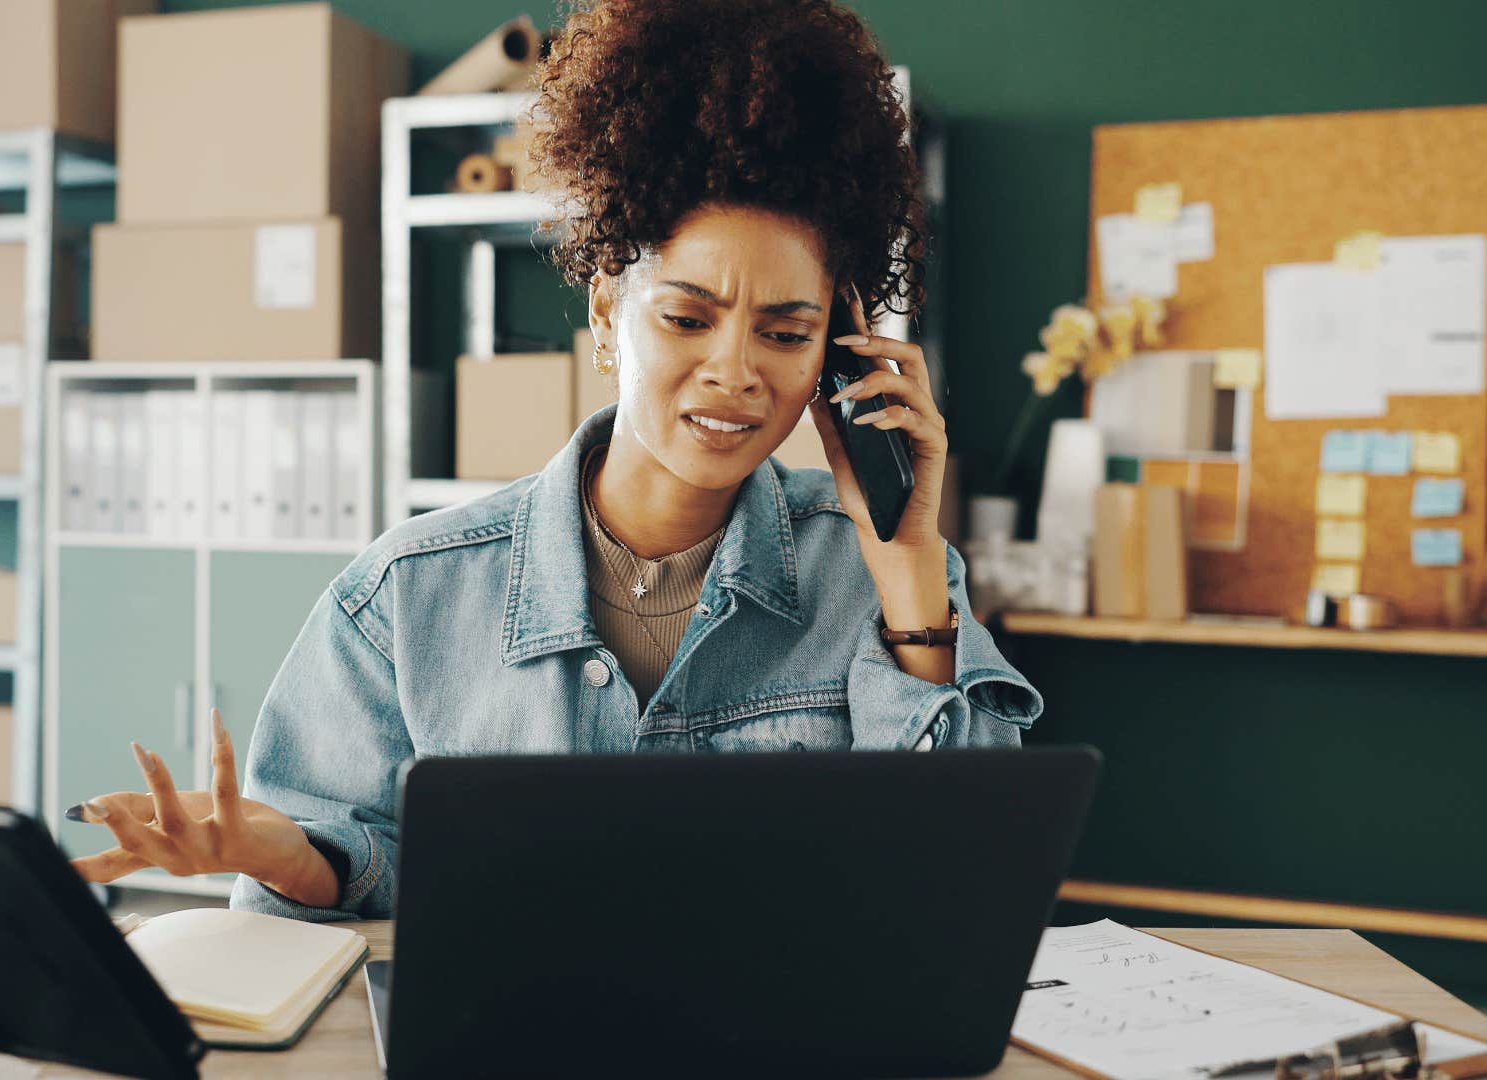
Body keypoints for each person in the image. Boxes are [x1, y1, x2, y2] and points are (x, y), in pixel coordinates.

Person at [66, 0, 1042, 920]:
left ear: (837, 357)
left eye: (787, 335)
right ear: (609, 316)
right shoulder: (406, 600)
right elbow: (363, 899)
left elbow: (961, 894)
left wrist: (911, 566)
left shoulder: (875, 580)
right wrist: (298, 859)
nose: (736, 372)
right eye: (687, 317)